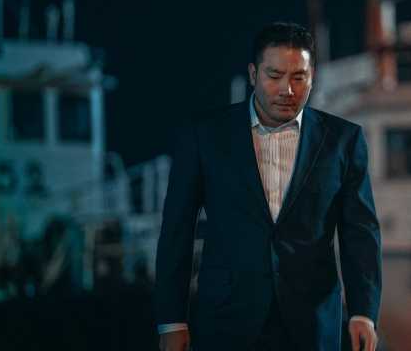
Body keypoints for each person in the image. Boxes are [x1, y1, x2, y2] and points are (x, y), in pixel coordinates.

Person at [155, 22, 382, 351]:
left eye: (299, 77)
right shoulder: (205, 136)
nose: (287, 90)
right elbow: (177, 230)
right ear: (253, 74)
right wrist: (172, 320)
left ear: (313, 77)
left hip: (312, 324)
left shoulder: (343, 140)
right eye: (274, 76)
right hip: (226, 320)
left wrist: (363, 312)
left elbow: (360, 233)